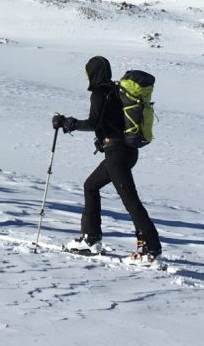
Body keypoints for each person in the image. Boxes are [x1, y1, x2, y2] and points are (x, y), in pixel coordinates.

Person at [51, 56, 161, 264]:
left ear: (92, 73)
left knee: (131, 201)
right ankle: (91, 238)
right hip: (126, 152)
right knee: (90, 186)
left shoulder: (100, 93)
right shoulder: (116, 90)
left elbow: (94, 122)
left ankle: (152, 250)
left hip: (117, 154)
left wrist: (69, 123)